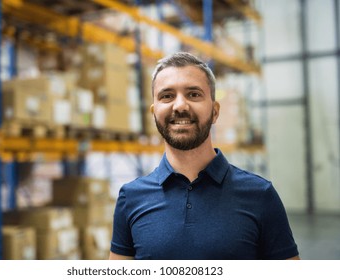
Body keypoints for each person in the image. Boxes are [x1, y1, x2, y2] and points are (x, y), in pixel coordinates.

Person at [109, 52, 300, 260]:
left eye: (193, 94)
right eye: (167, 96)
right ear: (154, 112)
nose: (180, 105)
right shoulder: (131, 198)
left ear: (215, 111)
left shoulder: (260, 195)